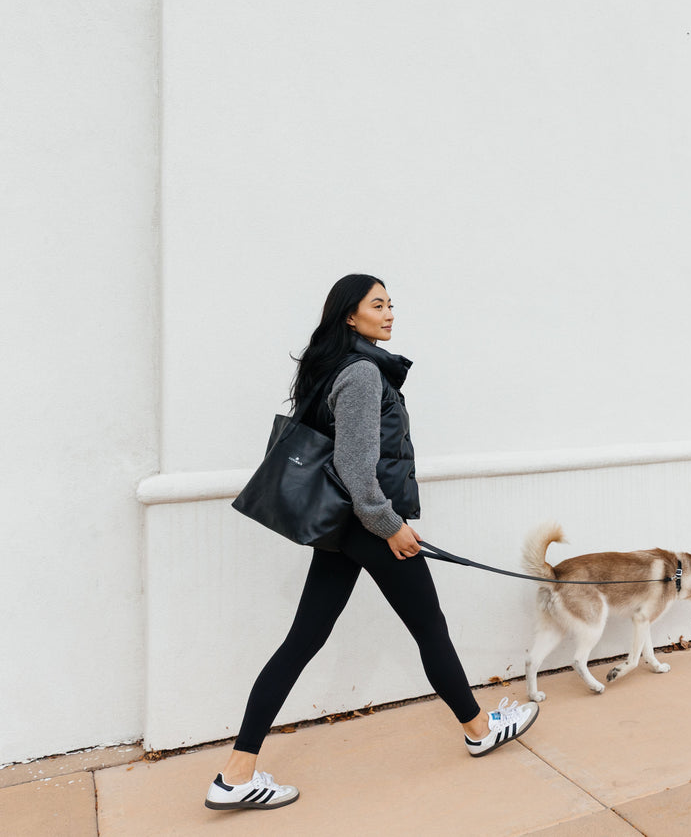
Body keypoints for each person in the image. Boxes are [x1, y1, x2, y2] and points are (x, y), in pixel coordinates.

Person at [205, 274, 537, 811]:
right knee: (429, 627)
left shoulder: (337, 367)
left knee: (302, 640)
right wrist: (391, 526)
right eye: (377, 305)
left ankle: (235, 773)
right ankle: (479, 729)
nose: (389, 314)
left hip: (343, 531)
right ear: (349, 316)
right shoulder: (361, 373)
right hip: (367, 527)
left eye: (391, 305)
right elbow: (355, 471)